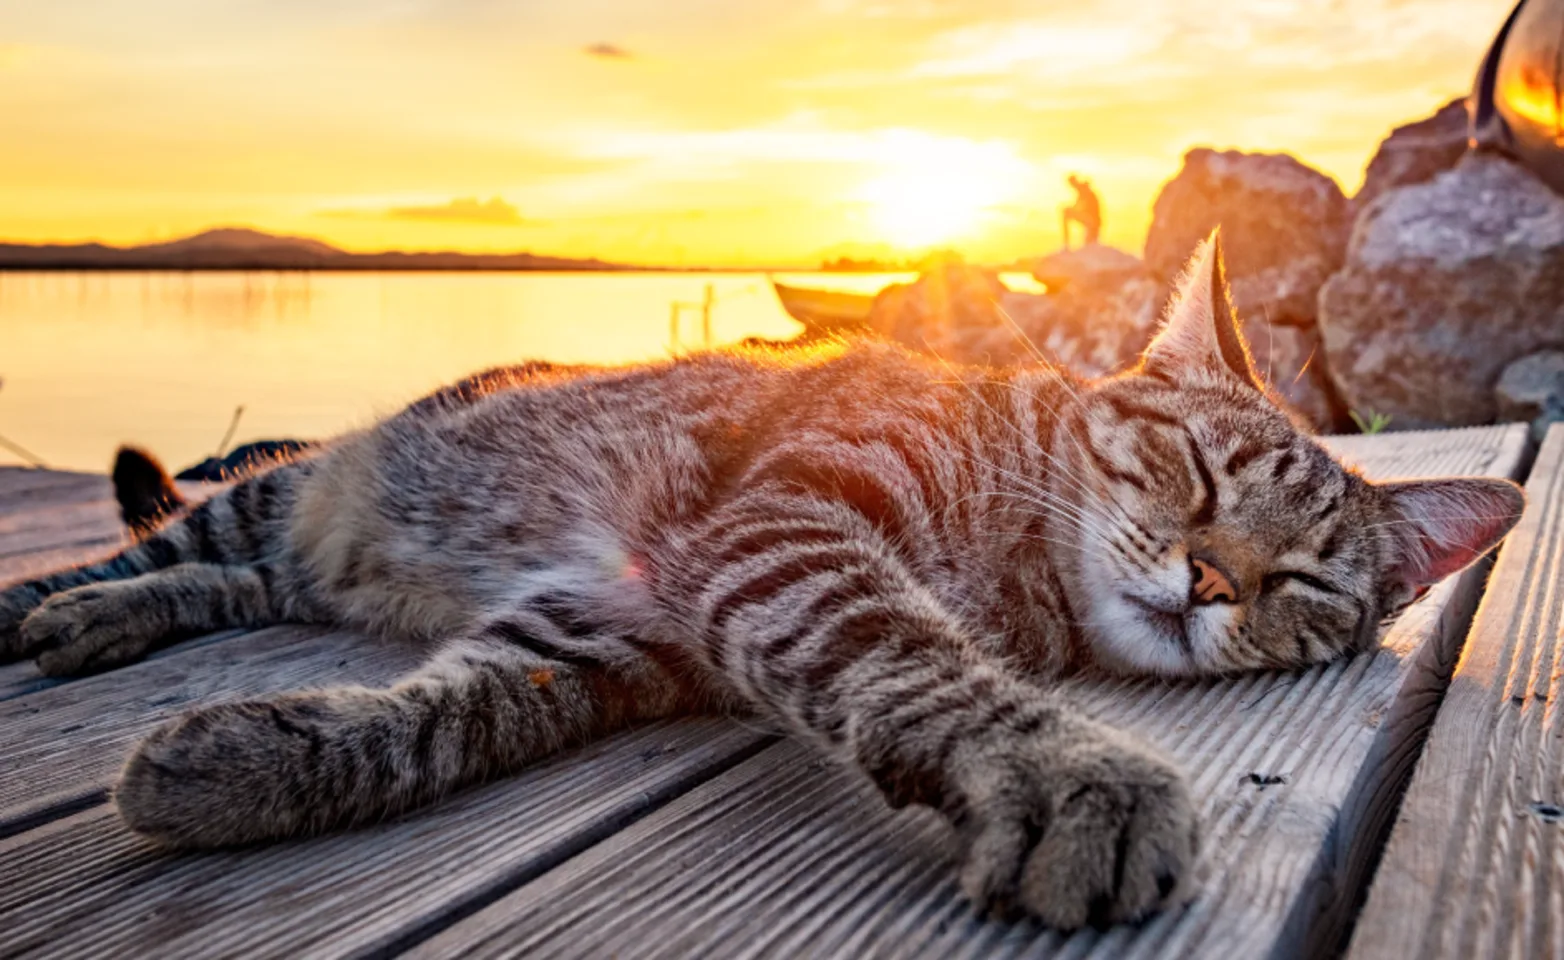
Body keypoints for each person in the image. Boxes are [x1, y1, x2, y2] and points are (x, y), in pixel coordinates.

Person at [1061, 174, 1102, 250]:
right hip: (1091, 220)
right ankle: (1066, 244)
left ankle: (1066, 245)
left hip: (1092, 221)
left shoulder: (1083, 190)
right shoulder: (1083, 190)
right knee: (1089, 243)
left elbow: (1081, 207)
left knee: (1065, 213)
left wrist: (1069, 209)